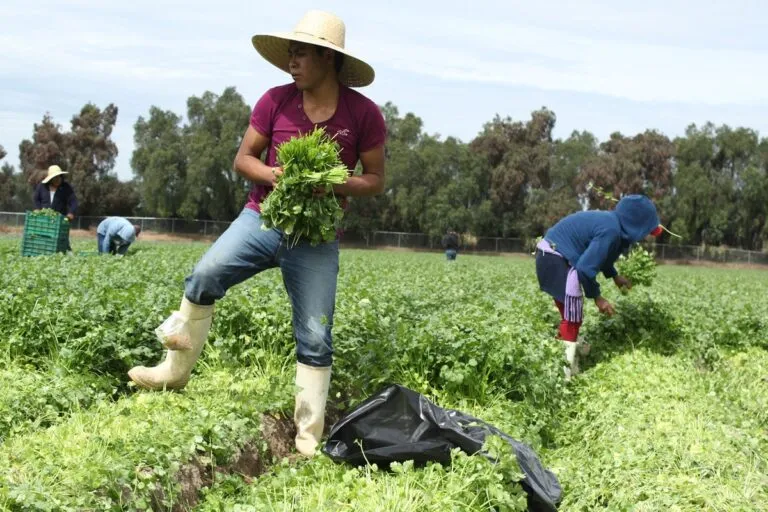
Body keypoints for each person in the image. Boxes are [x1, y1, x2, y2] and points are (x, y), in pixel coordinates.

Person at [128, 10, 387, 457]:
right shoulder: (275, 101)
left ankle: (308, 434)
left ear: (328, 58)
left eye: (301, 52)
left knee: (315, 333)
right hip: (261, 218)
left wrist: (332, 183)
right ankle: (174, 370)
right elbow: (243, 158)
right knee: (204, 276)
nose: (292, 60)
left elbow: (375, 178)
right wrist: (274, 174)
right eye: (291, 51)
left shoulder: (362, 113)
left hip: (315, 236)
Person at [535, 194, 662, 378]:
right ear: (636, 224)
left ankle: (566, 365)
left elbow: (600, 256)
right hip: (555, 259)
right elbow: (585, 268)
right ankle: (562, 376)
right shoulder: (610, 230)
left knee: (570, 316)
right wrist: (598, 298)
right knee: (572, 318)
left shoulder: (612, 224)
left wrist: (615, 276)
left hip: (552, 257)